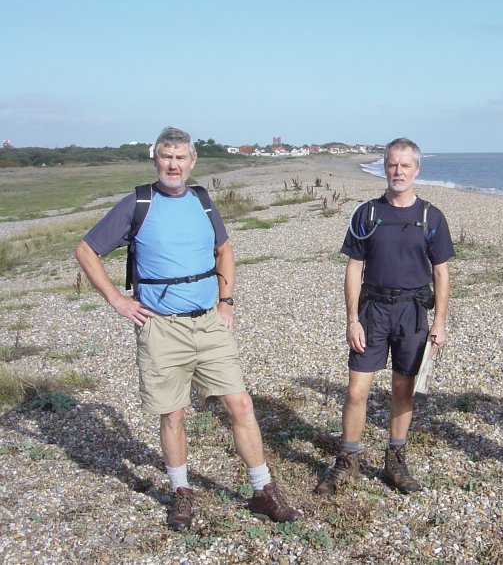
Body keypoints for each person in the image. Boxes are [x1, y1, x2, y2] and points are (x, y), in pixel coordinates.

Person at [75, 126, 300, 531]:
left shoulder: (202, 201)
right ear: (155, 159)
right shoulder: (137, 203)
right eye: (167, 156)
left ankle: (263, 490)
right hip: (161, 329)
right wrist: (117, 300)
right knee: (173, 414)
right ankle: (181, 492)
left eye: (180, 157)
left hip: (208, 324)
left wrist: (226, 302)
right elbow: (86, 250)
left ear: (192, 161)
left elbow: (224, 250)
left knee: (241, 404)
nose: (173, 164)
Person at [315, 137, 454, 495]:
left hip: (412, 313)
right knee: (356, 390)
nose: (398, 171)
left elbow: (441, 273)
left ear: (416, 169)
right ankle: (347, 459)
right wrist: (352, 319)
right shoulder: (367, 214)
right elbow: (353, 268)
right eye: (392, 164)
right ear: (384, 167)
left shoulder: (431, 217)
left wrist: (439, 322)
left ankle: (395, 460)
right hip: (372, 311)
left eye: (405, 165)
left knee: (403, 388)